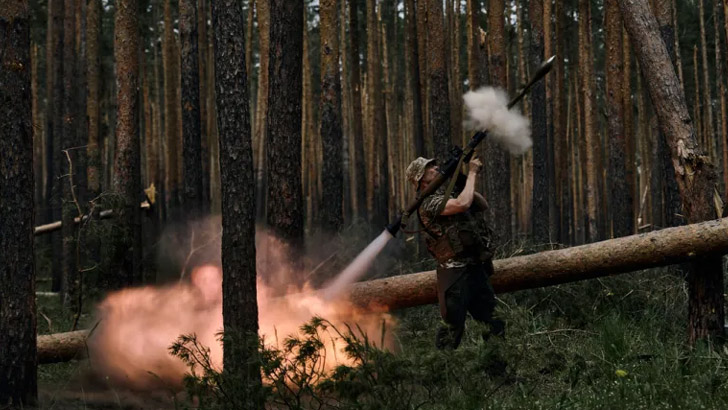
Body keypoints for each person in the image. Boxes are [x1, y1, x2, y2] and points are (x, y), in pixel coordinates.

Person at [405, 156, 505, 350]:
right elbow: (462, 204)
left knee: (494, 323)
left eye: (434, 164)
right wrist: (473, 173)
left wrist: (460, 178)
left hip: (475, 268)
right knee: (451, 331)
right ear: (421, 179)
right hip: (454, 276)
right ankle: (441, 376)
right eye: (430, 167)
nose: (435, 167)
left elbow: (481, 204)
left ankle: (499, 375)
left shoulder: (448, 193)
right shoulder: (428, 203)